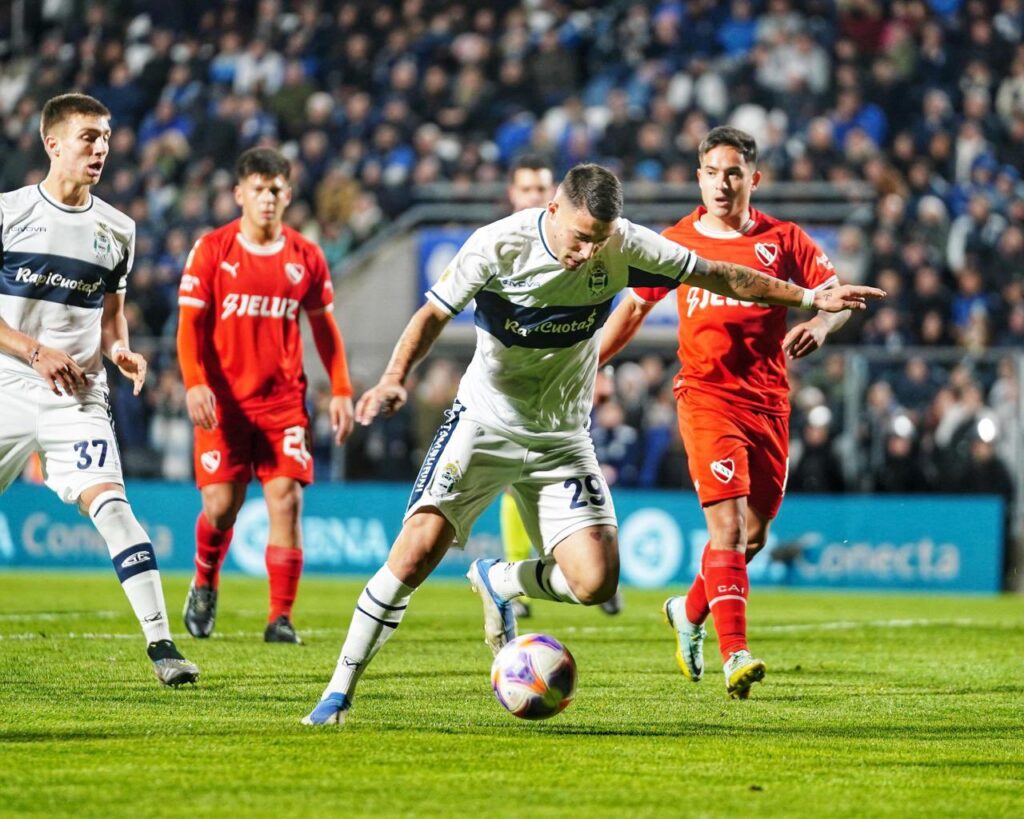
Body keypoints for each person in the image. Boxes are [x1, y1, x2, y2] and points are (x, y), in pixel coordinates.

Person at [302, 162, 883, 725]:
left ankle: (500, 579)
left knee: (596, 581)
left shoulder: (625, 244)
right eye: (580, 238)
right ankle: (338, 692)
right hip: (485, 423)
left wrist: (809, 300)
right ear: (552, 209)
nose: (588, 253)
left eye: (599, 241)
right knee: (415, 554)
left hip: (561, 438)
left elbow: (720, 274)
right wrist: (394, 378)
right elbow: (431, 315)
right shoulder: (497, 245)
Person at [599, 126, 856, 699]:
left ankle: (688, 611)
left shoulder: (784, 240)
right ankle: (734, 653)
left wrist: (819, 322)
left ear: (753, 179)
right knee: (728, 528)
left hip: (768, 403)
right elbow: (633, 310)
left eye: (733, 172)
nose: (722, 183)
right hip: (706, 396)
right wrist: (591, 363)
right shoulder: (676, 241)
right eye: (712, 172)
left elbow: (834, 295)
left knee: (755, 536)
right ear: (699, 177)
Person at [0, 93, 198, 686]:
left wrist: (120, 350)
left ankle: (163, 646)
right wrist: (33, 351)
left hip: (78, 394)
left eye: (106, 137)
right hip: (9, 382)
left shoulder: (118, 229)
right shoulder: (8, 213)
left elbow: (112, 312)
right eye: (88, 136)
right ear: (52, 143)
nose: (101, 148)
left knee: (113, 508)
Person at [177, 147, 354, 645]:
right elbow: (189, 328)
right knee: (221, 507)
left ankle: (280, 618)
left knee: (286, 499)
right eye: (257, 188)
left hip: (282, 404)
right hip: (223, 404)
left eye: (276, 189)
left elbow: (325, 330)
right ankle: (205, 578)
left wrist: (340, 388)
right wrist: (194, 382)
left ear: (289, 194)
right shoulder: (212, 250)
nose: (268, 198)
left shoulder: (306, 257)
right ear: (239, 195)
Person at [498, 155, 619, 616]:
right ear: (513, 194)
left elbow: (592, 313)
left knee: (581, 477)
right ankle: (523, 569)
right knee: (515, 482)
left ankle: (577, 564)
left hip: (569, 391)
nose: (533, 196)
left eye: (541, 188)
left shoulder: (577, 243)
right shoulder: (501, 247)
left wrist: (599, 370)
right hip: (515, 391)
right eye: (526, 188)